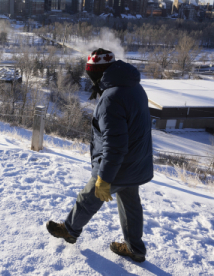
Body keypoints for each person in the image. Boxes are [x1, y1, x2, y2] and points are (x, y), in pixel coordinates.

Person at [46, 48, 153, 263]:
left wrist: (103, 178)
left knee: (89, 197)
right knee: (131, 206)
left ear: (98, 73)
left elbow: (114, 146)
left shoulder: (111, 98)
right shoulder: (133, 86)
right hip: (136, 162)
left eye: (91, 73)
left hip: (117, 166)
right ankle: (136, 249)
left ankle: (70, 230)